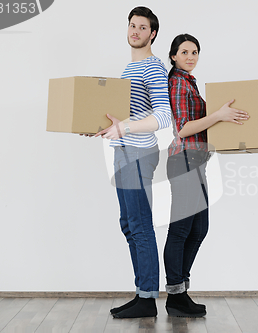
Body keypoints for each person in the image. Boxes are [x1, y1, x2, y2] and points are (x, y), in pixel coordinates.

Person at [94, 6, 172, 318]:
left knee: (139, 223)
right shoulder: (128, 70)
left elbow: (163, 116)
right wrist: (103, 127)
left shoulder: (152, 67)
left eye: (142, 27)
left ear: (152, 34)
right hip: (123, 151)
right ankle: (143, 292)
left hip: (139, 152)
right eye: (132, 26)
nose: (135, 31)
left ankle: (148, 298)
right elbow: (127, 114)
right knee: (128, 223)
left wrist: (124, 128)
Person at [163, 34, 249, 317]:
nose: (190, 56)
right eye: (184, 51)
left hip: (197, 161)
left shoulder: (190, 82)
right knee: (181, 230)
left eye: (195, 52)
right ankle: (175, 296)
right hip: (183, 160)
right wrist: (219, 116)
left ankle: (180, 291)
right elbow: (183, 128)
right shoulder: (176, 82)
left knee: (199, 229)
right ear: (173, 55)